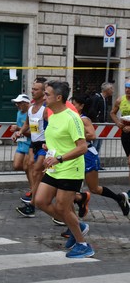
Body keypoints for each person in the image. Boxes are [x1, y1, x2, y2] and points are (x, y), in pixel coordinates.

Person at [34, 80, 94, 258]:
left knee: (62, 208)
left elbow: (82, 147)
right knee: (41, 201)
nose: (44, 96)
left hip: (70, 168)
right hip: (55, 167)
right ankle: (77, 225)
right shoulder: (52, 115)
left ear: (58, 97)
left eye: (47, 94)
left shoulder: (72, 117)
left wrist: (59, 158)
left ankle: (83, 244)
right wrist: (48, 148)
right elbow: (59, 141)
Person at [68, 95, 129, 223]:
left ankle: (119, 199)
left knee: (94, 188)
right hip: (75, 155)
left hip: (88, 155)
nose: (70, 106)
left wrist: (77, 131)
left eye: (73, 104)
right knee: (69, 187)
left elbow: (92, 135)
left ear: (81, 106)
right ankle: (72, 213)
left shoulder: (84, 120)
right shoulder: (69, 118)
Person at [13, 80, 48, 218]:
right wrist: (19, 132)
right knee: (33, 171)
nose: (32, 91)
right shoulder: (31, 108)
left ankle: (34, 202)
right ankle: (34, 200)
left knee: (37, 171)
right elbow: (28, 124)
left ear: (43, 92)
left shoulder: (46, 109)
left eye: (36, 89)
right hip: (34, 143)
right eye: (32, 89)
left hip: (45, 144)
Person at [9, 94, 32, 197]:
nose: (17, 105)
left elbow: (33, 133)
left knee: (28, 168)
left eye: (19, 103)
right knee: (17, 165)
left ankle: (33, 190)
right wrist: (16, 136)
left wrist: (18, 130)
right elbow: (20, 129)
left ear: (26, 103)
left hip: (30, 145)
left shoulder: (32, 113)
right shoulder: (19, 112)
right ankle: (36, 174)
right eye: (16, 103)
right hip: (21, 144)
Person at [109, 80, 130, 189]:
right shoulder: (120, 100)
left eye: (129, 88)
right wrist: (118, 124)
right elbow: (112, 113)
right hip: (125, 134)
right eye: (126, 87)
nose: (128, 90)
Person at [90, 82, 114, 153]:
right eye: (111, 88)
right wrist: (96, 121)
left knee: (99, 145)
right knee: (95, 144)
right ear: (107, 90)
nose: (113, 91)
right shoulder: (97, 98)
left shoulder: (105, 99)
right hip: (96, 125)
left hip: (102, 125)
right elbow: (92, 111)